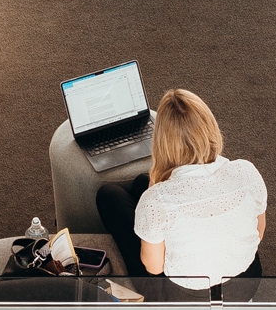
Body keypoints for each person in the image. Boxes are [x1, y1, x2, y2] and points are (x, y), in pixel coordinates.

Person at [91, 88, 265, 292]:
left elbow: (154, 268)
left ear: (162, 143)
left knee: (109, 196)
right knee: (141, 182)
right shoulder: (245, 171)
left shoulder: (157, 199)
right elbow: (258, 232)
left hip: (186, 299)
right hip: (246, 282)